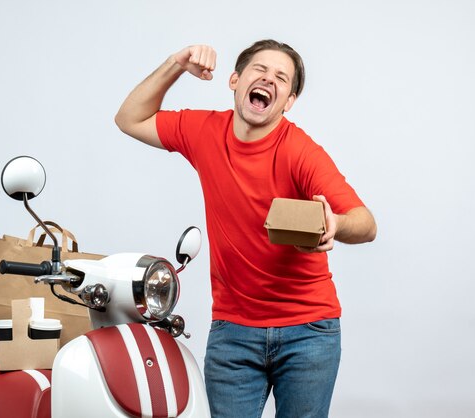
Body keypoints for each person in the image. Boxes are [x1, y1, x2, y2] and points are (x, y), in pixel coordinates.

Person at [115, 39, 377, 418]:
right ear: (235, 81)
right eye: (260, 70)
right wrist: (175, 64)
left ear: (288, 102)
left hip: (308, 330)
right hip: (233, 334)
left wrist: (335, 223)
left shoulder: (300, 151)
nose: (269, 79)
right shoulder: (204, 130)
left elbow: (366, 224)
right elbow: (129, 119)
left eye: (281, 78)